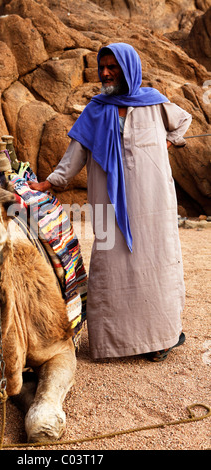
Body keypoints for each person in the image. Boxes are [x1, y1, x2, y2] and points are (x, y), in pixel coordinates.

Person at [28, 43, 191, 362]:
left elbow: (182, 121)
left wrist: (171, 140)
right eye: (101, 67)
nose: (104, 73)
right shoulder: (95, 109)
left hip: (153, 203)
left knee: (157, 264)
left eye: (111, 67)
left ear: (128, 68)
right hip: (107, 207)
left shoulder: (154, 104)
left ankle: (160, 339)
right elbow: (73, 156)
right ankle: (113, 343)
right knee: (109, 267)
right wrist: (50, 183)